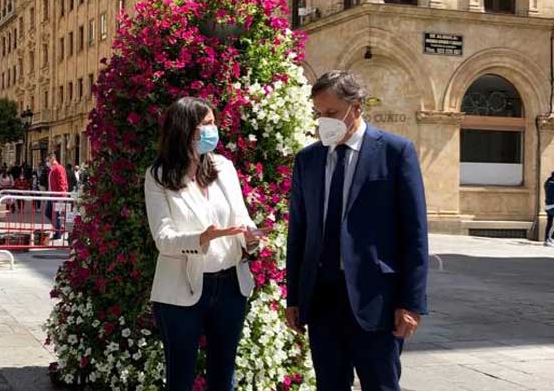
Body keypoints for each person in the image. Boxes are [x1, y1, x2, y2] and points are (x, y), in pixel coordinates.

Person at [286, 71, 429, 391]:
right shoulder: (308, 159)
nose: (324, 121)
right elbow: (299, 232)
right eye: (319, 114)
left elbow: (415, 233)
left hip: (377, 301)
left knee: (380, 384)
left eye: (332, 113)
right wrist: (294, 296)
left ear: (357, 107)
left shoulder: (395, 152)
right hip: (322, 299)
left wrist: (412, 303)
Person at [144, 97, 262, 391]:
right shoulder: (158, 176)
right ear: (185, 129)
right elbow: (163, 238)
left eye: (213, 122)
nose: (214, 130)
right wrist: (202, 239)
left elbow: (241, 218)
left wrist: (251, 239)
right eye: (206, 124)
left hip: (231, 287)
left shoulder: (224, 167)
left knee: (223, 375)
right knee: (180, 377)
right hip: (181, 290)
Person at [45, 154, 68, 239]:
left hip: (58, 195)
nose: (47, 162)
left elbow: (62, 182)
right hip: (52, 195)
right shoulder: (52, 169)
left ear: (52, 159)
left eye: (47, 160)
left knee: (57, 214)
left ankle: (58, 233)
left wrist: (61, 196)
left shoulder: (58, 168)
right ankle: (59, 228)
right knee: (48, 213)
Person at [544, 171, 554, 247]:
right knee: (550, 223)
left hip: (547, 205)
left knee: (549, 223)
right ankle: (550, 238)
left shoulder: (547, 183)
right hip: (553, 205)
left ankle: (547, 239)